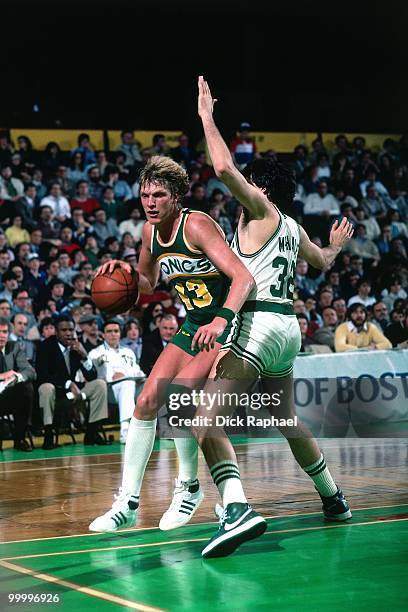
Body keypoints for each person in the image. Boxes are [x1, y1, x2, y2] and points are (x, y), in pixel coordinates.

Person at [190, 76, 354, 558]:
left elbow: (222, 166)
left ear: (261, 188)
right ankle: (334, 498)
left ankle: (237, 509)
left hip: (257, 325)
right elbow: (321, 262)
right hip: (288, 328)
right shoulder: (292, 224)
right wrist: (336, 247)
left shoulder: (259, 207)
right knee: (285, 417)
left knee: (203, 420)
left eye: (250, 182)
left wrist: (206, 116)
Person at [88, 154, 254, 534]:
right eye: (145, 194)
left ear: (177, 196)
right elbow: (146, 285)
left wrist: (221, 319)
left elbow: (243, 279)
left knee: (179, 396)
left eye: (159, 194)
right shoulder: (149, 233)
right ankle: (127, 503)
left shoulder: (196, 225)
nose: (149, 201)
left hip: (227, 322)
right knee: (146, 402)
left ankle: (188, 488)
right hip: (194, 323)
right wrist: (124, 272)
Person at [36, 315, 109, 450]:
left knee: (100, 385)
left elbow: (92, 376)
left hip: (74, 392)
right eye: (64, 330)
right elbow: (42, 375)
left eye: (71, 329)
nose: (68, 333)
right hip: (55, 392)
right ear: (56, 332)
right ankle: (48, 435)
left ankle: (92, 432)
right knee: (46, 388)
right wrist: (67, 383)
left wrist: (84, 356)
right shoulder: (45, 346)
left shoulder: (76, 346)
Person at [89, 320, 146, 444]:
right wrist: (116, 376)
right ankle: (125, 431)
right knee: (127, 384)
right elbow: (101, 375)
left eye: (116, 331)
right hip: (108, 391)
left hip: (130, 387)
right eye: (109, 331)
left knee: (150, 384)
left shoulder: (128, 352)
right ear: (103, 335)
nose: (113, 334)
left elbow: (137, 371)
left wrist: (140, 376)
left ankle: (158, 428)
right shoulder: (95, 353)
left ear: (120, 334)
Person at [0, 316, 36, 452]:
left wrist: (17, 377)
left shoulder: (14, 347)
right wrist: (2, 376)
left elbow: (30, 371)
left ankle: (19, 438)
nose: (1, 336)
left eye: (4, 332)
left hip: (8, 397)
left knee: (26, 388)